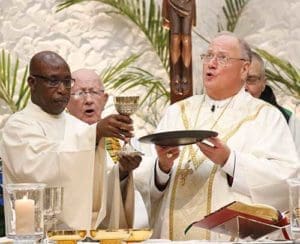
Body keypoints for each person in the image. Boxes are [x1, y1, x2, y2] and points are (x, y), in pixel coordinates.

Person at [145, 32, 299, 241]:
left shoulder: (265, 117)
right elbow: (143, 178)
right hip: (173, 236)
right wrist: (162, 167)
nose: (211, 63)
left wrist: (230, 161)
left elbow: (285, 179)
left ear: (244, 68)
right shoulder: (177, 112)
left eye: (222, 57)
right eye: (208, 56)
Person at [0, 51, 137, 230]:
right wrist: (94, 135)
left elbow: (96, 191)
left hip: (81, 237)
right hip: (34, 236)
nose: (63, 89)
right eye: (53, 81)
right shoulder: (17, 126)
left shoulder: (80, 128)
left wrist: (123, 172)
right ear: (32, 83)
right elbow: (39, 169)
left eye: (67, 82)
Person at [66, 68, 149, 227]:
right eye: (80, 93)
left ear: (104, 99)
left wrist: (124, 172)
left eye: (94, 92)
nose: (89, 100)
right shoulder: (63, 140)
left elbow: (146, 187)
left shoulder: (125, 140)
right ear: (66, 102)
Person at [245, 51, 300, 157]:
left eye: (251, 80)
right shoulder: (210, 114)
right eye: (237, 80)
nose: (243, 88)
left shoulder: (286, 119)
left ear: (263, 83)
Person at [162, 0, 196, 97]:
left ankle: (186, 73)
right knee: (175, 37)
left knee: (186, 37)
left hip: (188, 2)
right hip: (172, 2)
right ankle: (176, 72)